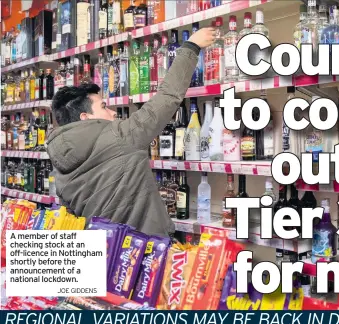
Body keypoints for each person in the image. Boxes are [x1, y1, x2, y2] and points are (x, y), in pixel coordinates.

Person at [46, 28, 215, 237]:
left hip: (105, 255)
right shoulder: (119, 136)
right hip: (144, 252)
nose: (113, 112)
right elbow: (167, 97)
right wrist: (191, 47)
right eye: (104, 107)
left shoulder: (59, 162)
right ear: (85, 117)